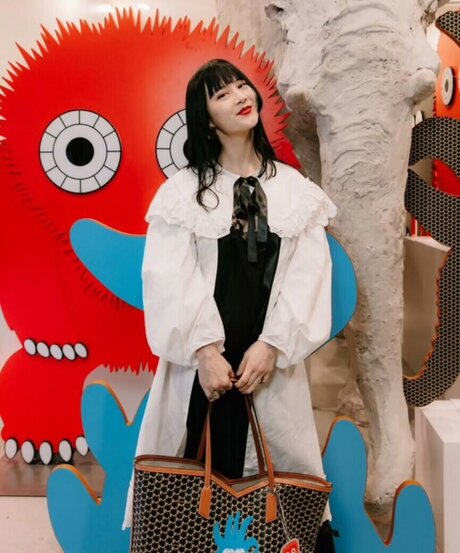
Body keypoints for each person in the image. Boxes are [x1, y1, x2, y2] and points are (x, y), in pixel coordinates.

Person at [124, 58, 337, 552]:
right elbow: (167, 278)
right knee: (189, 488)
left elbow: (309, 278)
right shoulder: (182, 193)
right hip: (205, 372)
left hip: (269, 365)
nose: (240, 96)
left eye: (242, 86)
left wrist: (272, 345)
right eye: (221, 94)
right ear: (206, 119)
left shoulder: (295, 191)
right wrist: (204, 351)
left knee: (280, 490)